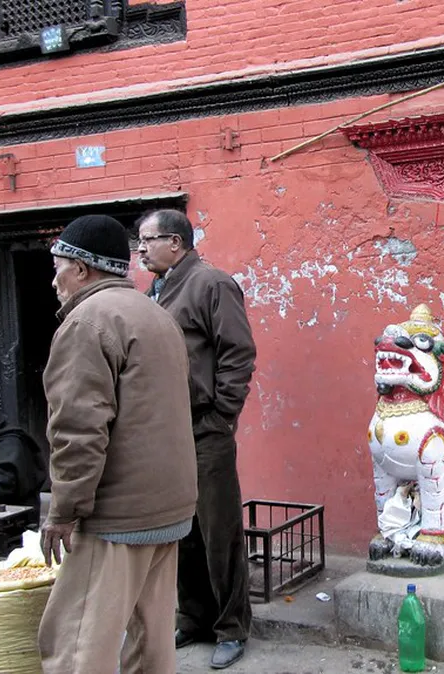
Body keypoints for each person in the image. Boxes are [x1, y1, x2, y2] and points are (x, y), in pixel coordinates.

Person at [38, 214, 198, 674]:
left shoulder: (87, 322)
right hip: (169, 506)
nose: (54, 280)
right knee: (151, 645)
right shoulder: (155, 314)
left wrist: (64, 509)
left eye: (58, 268)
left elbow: (78, 430)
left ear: (81, 268)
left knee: (76, 645)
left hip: (117, 514)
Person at [137, 209, 256, 669]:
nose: (141, 249)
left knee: (218, 529)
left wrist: (223, 415)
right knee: (180, 528)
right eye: (138, 241)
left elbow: (237, 353)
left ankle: (232, 627)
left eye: (148, 240)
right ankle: (193, 617)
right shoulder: (156, 290)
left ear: (176, 242)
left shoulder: (212, 284)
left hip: (206, 425)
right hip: (167, 429)